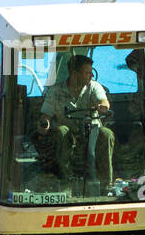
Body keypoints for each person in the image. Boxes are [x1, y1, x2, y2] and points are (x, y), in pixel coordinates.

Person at [38, 55, 114, 184]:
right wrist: (45, 124)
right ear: (74, 74)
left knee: (106, 134)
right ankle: (64, 181)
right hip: (68, 136)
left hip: (91, 133)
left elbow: (104, 102)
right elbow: (46, 116)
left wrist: (103, 107)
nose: (91, 76)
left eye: (91, 72)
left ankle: (106, 185)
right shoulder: (55, 91)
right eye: (87, 73)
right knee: (61, 131)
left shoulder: (94, 87)